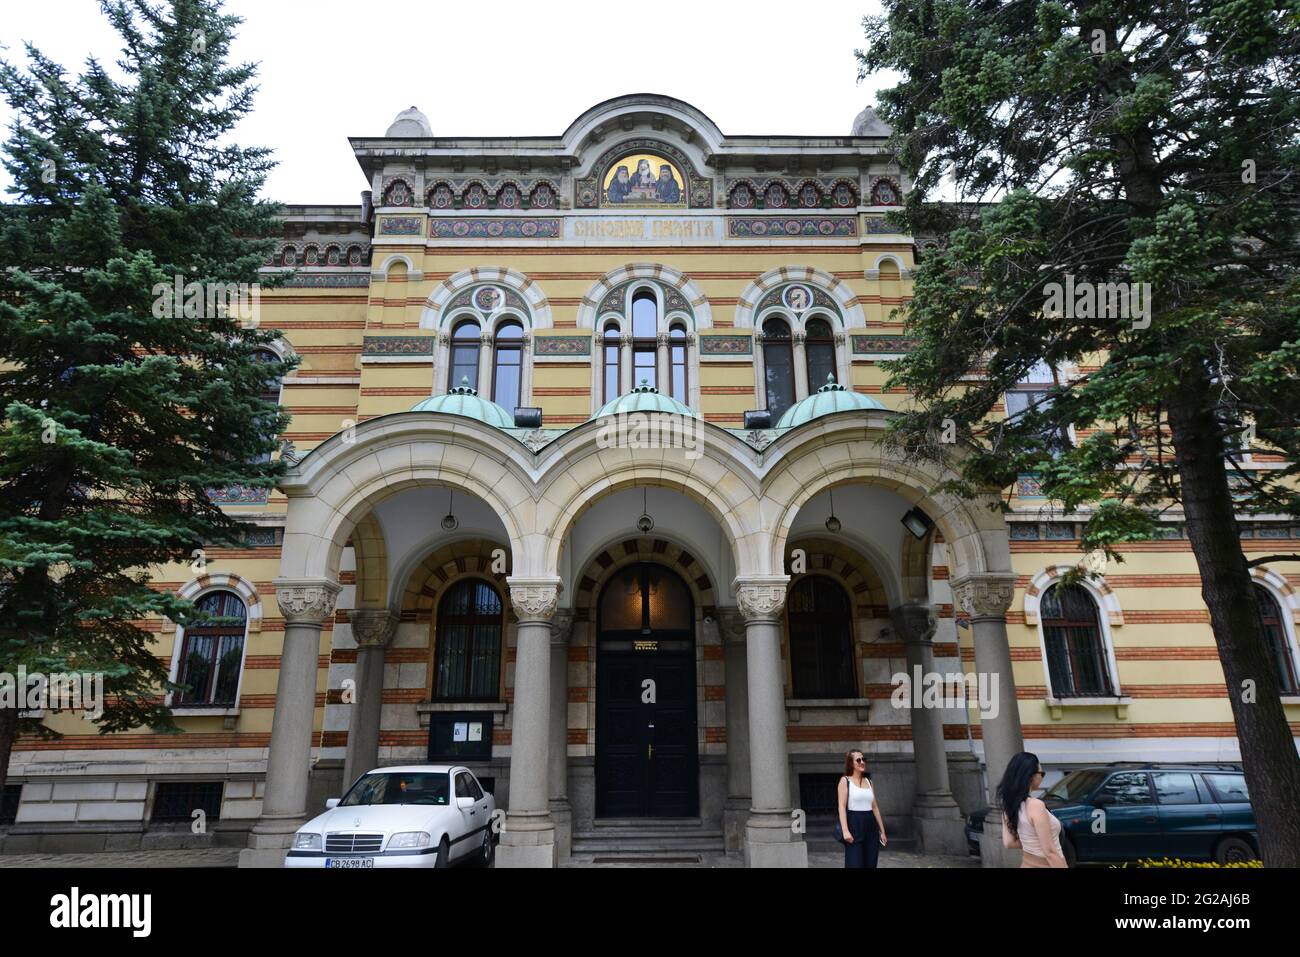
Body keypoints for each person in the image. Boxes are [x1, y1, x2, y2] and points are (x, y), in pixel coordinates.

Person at [998, 751, 1068, 868]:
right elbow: (1050, 853)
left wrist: (1031, 843)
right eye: (1042, 773)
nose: (1042, 777)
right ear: (1031, 775)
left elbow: (1009, 842)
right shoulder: (1036, 805)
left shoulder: (1010, 805)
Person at [838, 749, 887, 868]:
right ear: (851, 764)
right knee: (854, 863)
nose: (862, 762)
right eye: (858, 760)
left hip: (871, 825)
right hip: (854, 823)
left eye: (863, 759)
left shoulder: (869, 782)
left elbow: (874, 807)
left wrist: (882, 831)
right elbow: (841, 806)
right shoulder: (845, 781)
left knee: (871, 863)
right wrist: (845, 830)